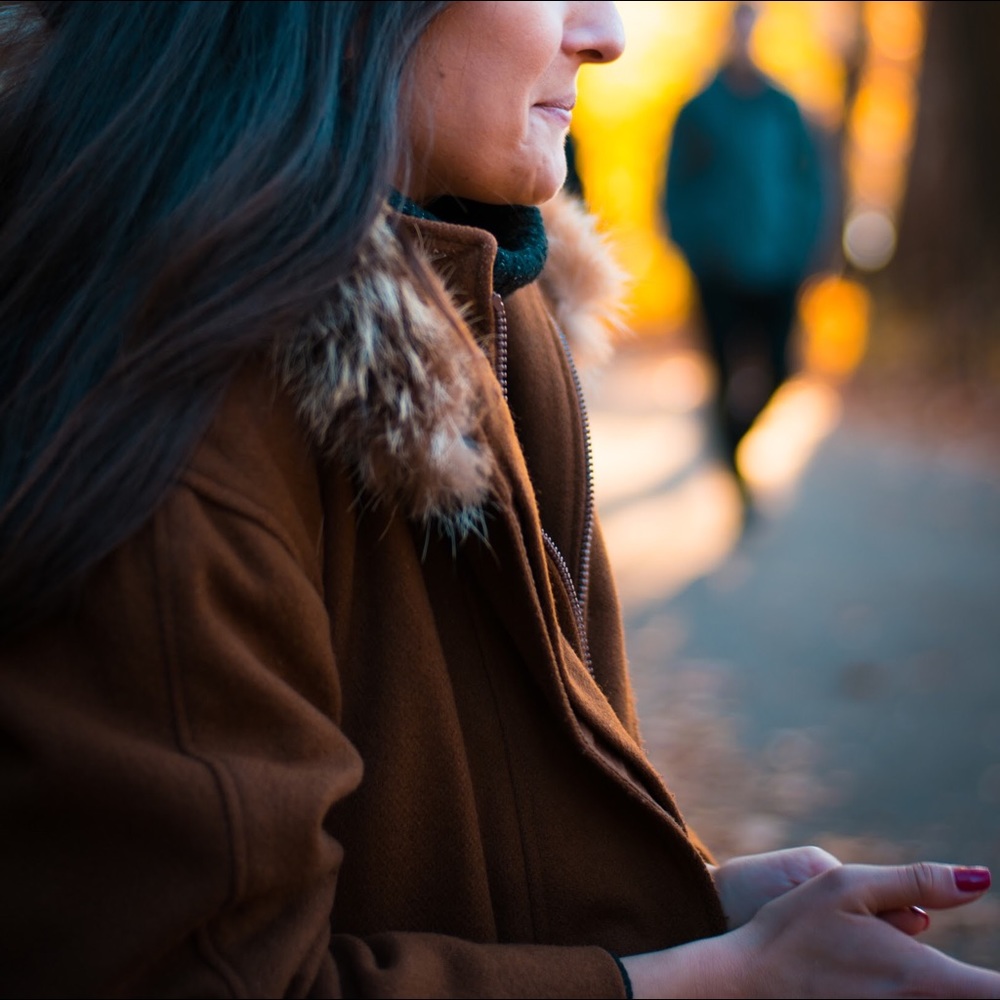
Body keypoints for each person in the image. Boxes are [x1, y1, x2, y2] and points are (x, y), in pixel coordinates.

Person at [0, 2, 997, 997]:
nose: (607, 34)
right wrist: (716, 980)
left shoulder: (497, 302)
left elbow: (467, 853)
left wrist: (702, 906)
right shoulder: (165, 405)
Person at [663, 1, 825, 498]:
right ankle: (736, 477)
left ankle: (730, 440)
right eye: (739, 27)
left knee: (780, 368)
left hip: (779, 263)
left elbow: (809, 184)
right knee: (722, 370)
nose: (746, 37)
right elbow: (674, 189)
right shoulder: (698, 111)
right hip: (718, 268)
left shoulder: (785, 109)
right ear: (727, 34)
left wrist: (807, 246)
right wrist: (697, 244)